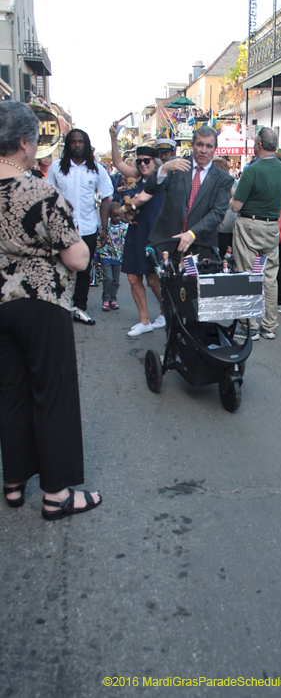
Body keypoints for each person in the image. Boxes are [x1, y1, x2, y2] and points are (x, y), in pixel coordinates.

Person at [0, 101, 101, 519]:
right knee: (52, 395)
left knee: (11, 393)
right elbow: (77, 257)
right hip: (40, 302)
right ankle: (58, 494)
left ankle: (14, 482)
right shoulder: (39, 192)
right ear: (25, 143)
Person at [47, 129, 113, 325]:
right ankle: (58, 307)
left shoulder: (97, 169)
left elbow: (105, 200)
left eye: (80, 142)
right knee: (59, 268)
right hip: (61, 228)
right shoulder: (55, 167)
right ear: (68, 145)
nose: (77, 145)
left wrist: (104, 227)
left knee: (85, 269)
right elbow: (48, 197)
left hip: (88, 228)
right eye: (73, 142)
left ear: (86, 144)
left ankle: (80, 308)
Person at [230, 127, 281, 340]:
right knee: (269, 276)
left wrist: (232, 196)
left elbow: (236, 206)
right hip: (272, 225)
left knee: (247, 274)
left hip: (249, 224)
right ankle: (269, 326)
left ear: (258, 145)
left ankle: (249, 326)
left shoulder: (252, 170)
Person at [110, 123, 166, 336]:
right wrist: (114, 138)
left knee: (153, 280)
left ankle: (165, 312)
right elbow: (116, 162)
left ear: (155, 162)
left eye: (147, 161)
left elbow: (140, 201)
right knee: (133, 277)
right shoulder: (138, 176)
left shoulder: (160, 178)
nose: (143, 164)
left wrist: (127, 206)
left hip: (154, 234)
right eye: (140, 161)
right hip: (136, 232)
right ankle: (144, 321)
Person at [145, 126, 232, 258]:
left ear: (215, 149)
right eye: (199, 145)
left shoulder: (223, 179)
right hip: (167, 243)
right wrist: (164, 169)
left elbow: (218, 213)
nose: (203, 151)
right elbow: (150, 189)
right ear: (192, 145)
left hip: (201, 247)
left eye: (209, 146)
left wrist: (192, 233)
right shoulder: (176, 166)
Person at [99, 201, 128, 311]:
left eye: (119, 215)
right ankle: (106, 299)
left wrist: (124, 257)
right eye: (115, 215)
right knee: (108, 278)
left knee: (116, 280)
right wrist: (97, 256)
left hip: (117, 257)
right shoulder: (105, 227)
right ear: (109, 215)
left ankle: (113, 299)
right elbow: (99, 241)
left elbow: (125, 242)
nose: (117, 218)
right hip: (106, 255)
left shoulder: (124, 227)